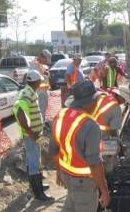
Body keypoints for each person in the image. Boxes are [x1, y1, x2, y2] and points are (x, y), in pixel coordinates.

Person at [49, 80, 110, 212]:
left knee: (71, 203)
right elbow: (94, 163)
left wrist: (59, 171)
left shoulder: (60, 115)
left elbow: (53, 150)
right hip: (83, 182)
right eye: (96, 100)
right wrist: (104, 191)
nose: (97, 103)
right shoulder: (90, 125)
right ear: (89, 102)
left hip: (67, 175)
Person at [12, 70, 54, 201]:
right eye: (40, 80)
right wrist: (31, 133)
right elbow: (19, 112)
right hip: (31, 136)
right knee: (34, 162)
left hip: (35, 134)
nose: (41, 82)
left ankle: (38, 185)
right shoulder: (26, 95)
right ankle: (38, 194)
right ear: (36, 81)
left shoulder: (31, 92)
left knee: (35, 161)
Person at [30, 49, 51, 125]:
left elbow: (46, 75)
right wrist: (45, 75)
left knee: (43, 108)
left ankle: (43, 122)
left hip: (44, 90)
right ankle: (41, 125)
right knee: (40, 108)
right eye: (46, 59)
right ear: (42, 57)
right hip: (39, 91)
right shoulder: (34, 64)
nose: (46, 61)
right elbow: (36, 78)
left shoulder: (41, 64)